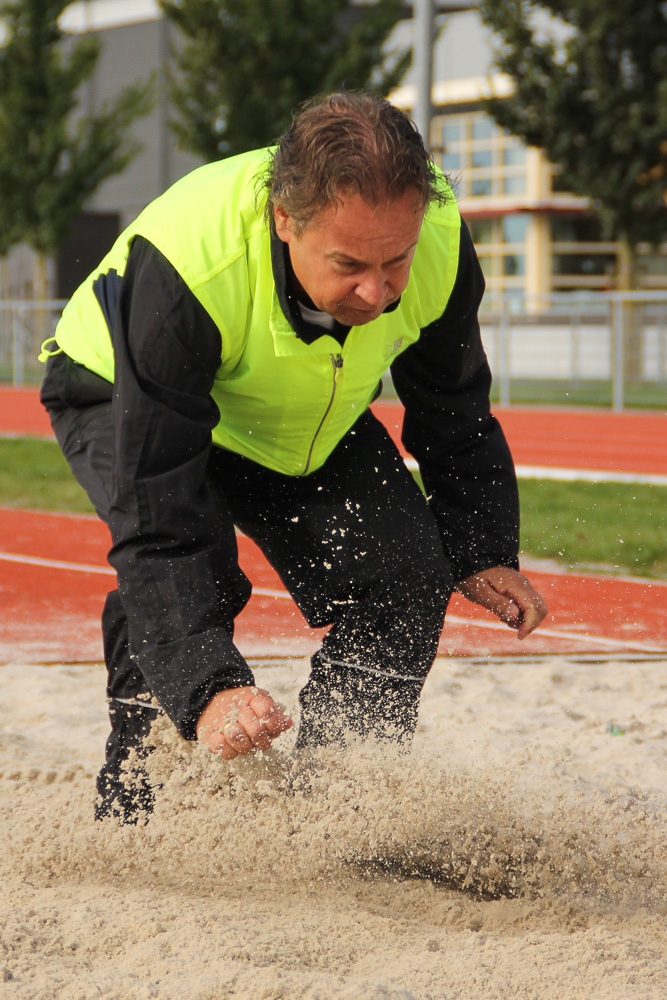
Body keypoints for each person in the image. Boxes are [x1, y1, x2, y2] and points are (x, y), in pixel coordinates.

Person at [39, 92, 547, 824]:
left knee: (407, 574)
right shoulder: (189, 265)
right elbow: (158, 504)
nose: (376, 291)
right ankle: (135, 801)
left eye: (393, 260)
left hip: (287, 410)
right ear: (285, 219)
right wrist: (206, 683)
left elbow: (453, 406)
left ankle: (336, 807)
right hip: (122, 391)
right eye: (347, 264)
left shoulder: (437, 244)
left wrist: (479, 546)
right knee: (197, 572)